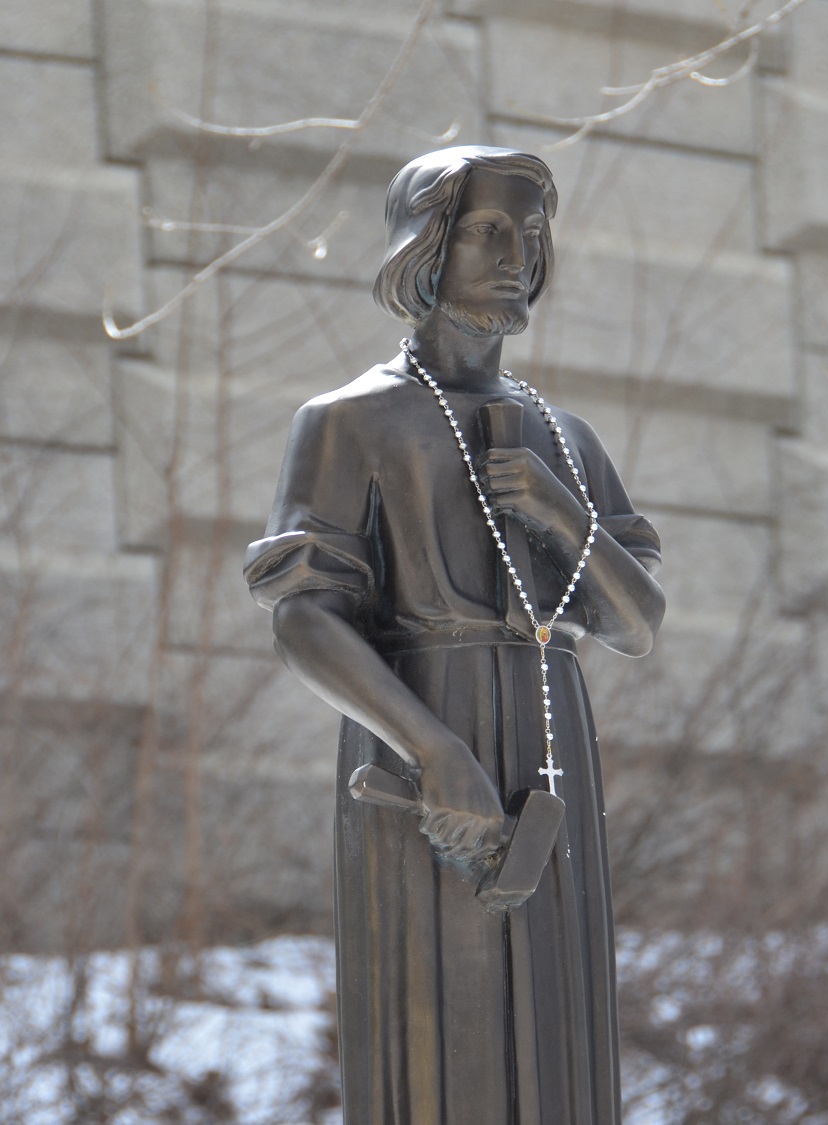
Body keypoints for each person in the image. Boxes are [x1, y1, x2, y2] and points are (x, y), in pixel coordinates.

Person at [244, 146, 666, 1124]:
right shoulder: (352, 422)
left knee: (562, 1043)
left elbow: (634, 623)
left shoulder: (565, 439)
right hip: (421, 738)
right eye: (486, 230)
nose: (514, 253)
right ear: (426, 246)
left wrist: (566, 518)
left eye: (529, 233)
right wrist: (434, 752)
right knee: (445, 1035)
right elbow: (304, 616)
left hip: (553, 751)